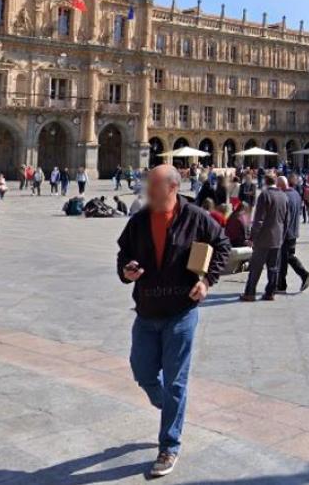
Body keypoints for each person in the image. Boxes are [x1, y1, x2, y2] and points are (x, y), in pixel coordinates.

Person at [116, 164, 230, 477]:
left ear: (172, 187)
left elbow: (222, 245)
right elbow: (123, 254)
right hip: (146, 310)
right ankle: (168, 406)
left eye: (152, 185)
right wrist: (126, 270)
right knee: (142, 371)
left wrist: (206, 280)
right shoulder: (139, 220)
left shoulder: (195, 217)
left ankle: (169, 446)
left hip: (181, 311)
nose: (146, 190)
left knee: (176, 382)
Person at [242, 175, 286, 301]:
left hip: (263, 239)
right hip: (277, 238)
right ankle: (270, 293)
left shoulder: (265, 195)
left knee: (256, 267)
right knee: (273, 268)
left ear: (265, 182)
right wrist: (282, 236)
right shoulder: (283, 196)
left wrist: (252, 237)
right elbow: (286, 220)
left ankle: (250, 293)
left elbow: (259, 220)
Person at [276, 176, 309, 293]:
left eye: (277, 186)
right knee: (286, 258)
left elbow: (284, 218)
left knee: (285, 258)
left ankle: (303, 275)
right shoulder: (296, 194)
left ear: (280, 186)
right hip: (294, 230)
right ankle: (281, 285)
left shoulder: (284, 197)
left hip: (286, 233)